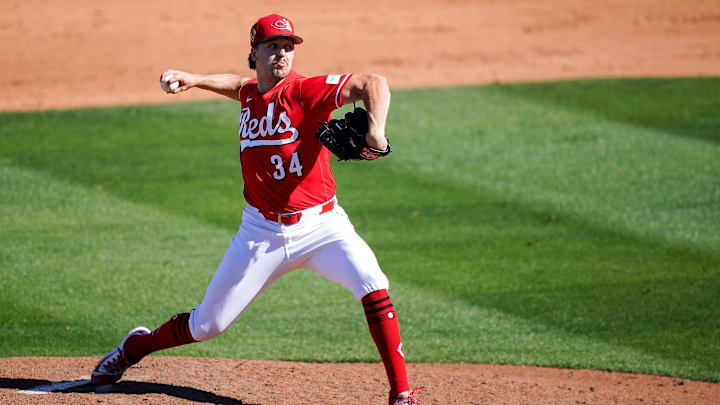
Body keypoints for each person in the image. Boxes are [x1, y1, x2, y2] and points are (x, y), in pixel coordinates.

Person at [90, 13, 423, 405]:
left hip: (324, 228)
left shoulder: (305, 91)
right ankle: (134, 348)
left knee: (372, 282)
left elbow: (374, 83)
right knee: (207, 324)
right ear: (254, 52)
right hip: (260, 234)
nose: (282, 54)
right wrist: (195, 78)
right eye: (272, 47)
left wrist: (376, 131)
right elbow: (240, 85)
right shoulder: (252, 92)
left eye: (288, 47)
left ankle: (401, 394)